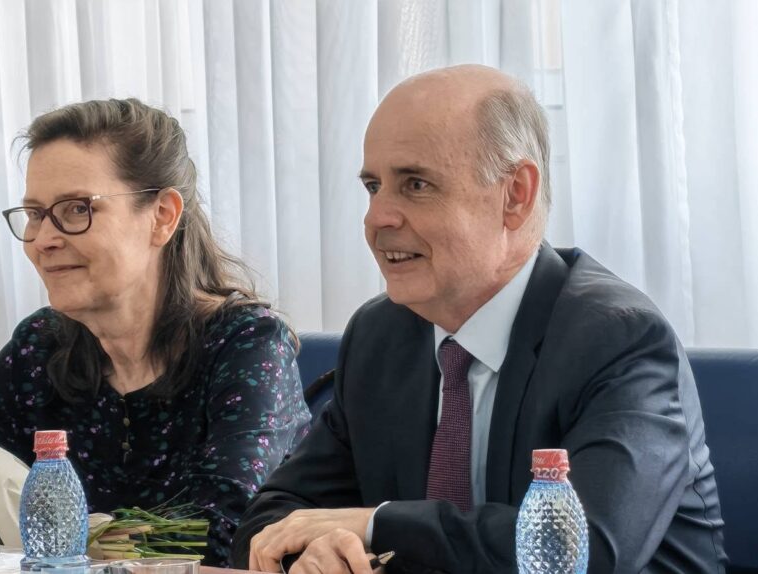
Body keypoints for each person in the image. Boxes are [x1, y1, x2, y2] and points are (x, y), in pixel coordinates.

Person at [232, 65, 726, 573]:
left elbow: (580, 553)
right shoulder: (381, 336)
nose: (377, 218)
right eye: (373, 186)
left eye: (416, 184)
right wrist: (317, 556)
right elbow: (269, 522)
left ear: (515, 195)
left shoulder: (617, 339)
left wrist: (374, 524)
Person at [0, 98, 311, 566]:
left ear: (162, 215)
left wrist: (62, 544)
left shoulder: (246, 344)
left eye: (77, 209)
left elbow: (225, 528)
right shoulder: (39, 345)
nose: (44, 239)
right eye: (36, 214)